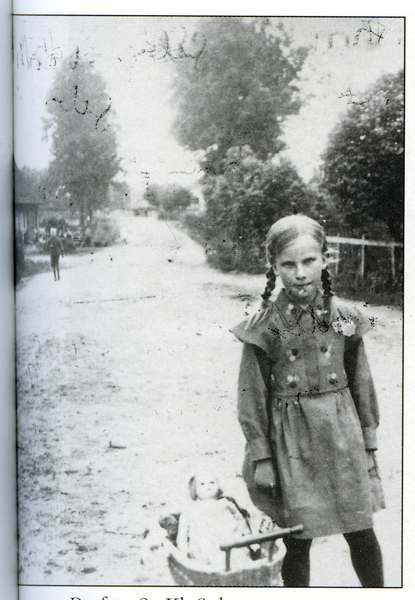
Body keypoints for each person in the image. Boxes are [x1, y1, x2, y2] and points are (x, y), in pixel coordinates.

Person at [230, 214, 385, 587]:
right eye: (288, 264)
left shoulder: (344, 318)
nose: (300, 273)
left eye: (309, 261)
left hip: (341, 438)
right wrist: (263, 457)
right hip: (291, 446)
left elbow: (362, 383)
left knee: (360, 529)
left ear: (325, 260)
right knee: (296, 538)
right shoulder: (265, 325)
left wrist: (368, 444)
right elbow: (251, 395)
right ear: (274, 267)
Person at [176, 471, 261, 570]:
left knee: (238, 556)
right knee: (205, 560)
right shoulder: (190, 508)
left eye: (212, 482)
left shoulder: (225, 503)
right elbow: (182, 531)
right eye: (202, 484)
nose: (208, 486)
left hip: (229, 541)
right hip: (203, 545)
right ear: (194, 489)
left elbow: (241, 521)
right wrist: (183, 551)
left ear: (218, 486)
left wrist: (251, 541)